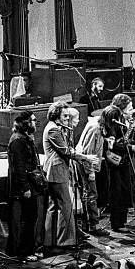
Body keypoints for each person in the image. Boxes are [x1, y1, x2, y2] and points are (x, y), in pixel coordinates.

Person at [43, 102, 90, 247]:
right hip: (56, 172)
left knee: (55, 206)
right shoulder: (53, 130)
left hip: (55, 171)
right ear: (56, 115)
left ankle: (50, 240)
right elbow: (66, 151)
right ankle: (66, 242)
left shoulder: (56, 128)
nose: (66, 119)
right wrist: (85, 157)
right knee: (65, 206)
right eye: (64, 116)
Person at [104, 94, 135, 232]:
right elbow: (113, 144)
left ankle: (122, 221)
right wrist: (132, 148)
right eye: (128, 107)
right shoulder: (113, 119)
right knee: (117, 191)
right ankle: (116, 223)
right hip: (115, 161)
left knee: (124, 190)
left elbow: (126, 139)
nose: (131, 110)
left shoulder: (124, 119)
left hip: (125, 160)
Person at [7, 111, 44, 261]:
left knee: (31, 217)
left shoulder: (25, 138)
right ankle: (24, 252)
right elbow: (19, 167)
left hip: (30, 184)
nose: (35, 123)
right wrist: (26, 188)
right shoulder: (18, 141)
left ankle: (29, 249)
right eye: (33, 121)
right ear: (26, 123)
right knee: (27, 219)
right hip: (24, 186)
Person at [76, 114, 110, 237]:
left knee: (90, 193)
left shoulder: (99, 125)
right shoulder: (95, 128)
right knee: (91, 194)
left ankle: (89, 224)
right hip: (86, 164)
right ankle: (92, 225)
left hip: (90, 163)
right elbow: (87, 152)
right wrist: (90, 172)